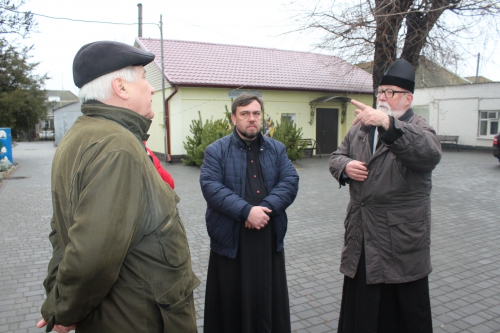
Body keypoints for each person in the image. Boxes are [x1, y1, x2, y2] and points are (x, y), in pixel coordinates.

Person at [37, 41, 199, 333]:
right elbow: (92, 257)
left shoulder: (80, 135)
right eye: (143, 78)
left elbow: (61, 233)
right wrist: (64, 312)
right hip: (138, 318)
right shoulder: (118, 146)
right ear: (121, 87)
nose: (151, 89)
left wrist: (58, 301)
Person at [329, 59, 442, 333]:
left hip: (400, 245)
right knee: (362, 315)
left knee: (400, 318)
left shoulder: (418, 126)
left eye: (389, 92)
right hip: (362, 238)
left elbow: (430, 153)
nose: (381, 97)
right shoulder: (361, 128)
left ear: (408, 98)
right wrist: (345, 167)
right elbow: (336, 156)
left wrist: (388, 123)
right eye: (380, 91)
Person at [200, 93, 299, 333]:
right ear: (234, 118)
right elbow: (211, 187)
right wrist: (246, 211)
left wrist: (264, 210)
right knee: (232, 304)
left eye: (256, 113)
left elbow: (290, 180)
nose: (251, 119)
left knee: (268, 299)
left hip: (267, 233)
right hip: (232, 238)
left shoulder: (277, 149)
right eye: (245, 114)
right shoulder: (216, 151)